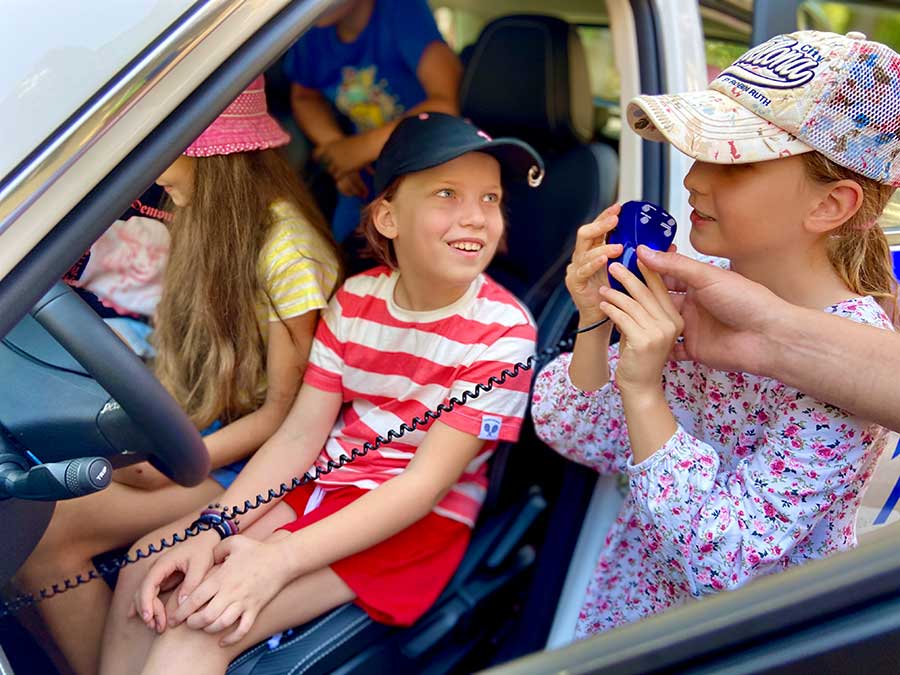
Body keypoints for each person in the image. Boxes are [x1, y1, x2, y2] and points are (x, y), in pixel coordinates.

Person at [98, 112, 542, 675]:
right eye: (447, 194)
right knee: (147, 563)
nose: (475, 218)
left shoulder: (505, 333)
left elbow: (423, 486)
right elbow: (300, 435)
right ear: (387, 217)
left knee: (197, 626)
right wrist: (215, 526)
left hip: (411, 524)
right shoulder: (355, 302)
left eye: (490, 199)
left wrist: (276, 561)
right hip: (325, 488)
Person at [532, 30, 900, 637]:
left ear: (831, 205)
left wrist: (647, 394)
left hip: (726, 645)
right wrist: (597, 322)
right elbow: (575, 432)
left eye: (736, 162)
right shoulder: (707, 285)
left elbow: (722, 558)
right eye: (702, 154)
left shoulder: (849, 371)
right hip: (626, 619)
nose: (694, 179)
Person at [16, 75, 342, 675]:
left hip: (248, 467)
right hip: (197, 433)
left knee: (42, 532)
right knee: (24, 503)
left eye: (168, 151)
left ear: (211, 157)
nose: (154, 169)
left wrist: (177, 456)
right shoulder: (203, 221)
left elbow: (286, 416)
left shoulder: (286, 252)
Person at [637, 245, 900, 433]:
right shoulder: (713, 278)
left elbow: (743, 512)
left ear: (831, 204)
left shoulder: (857, 326)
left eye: (737, 169)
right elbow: (606, 444)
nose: (692, 181)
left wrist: (642, 392)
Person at [285, 0, 463, 242]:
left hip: (431, 162)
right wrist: (337, 147)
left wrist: (356, 150)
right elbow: (304, 97)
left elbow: (446, 104)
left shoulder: (400, 11)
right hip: (367, 176)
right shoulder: (310, 31)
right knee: (347, 243)